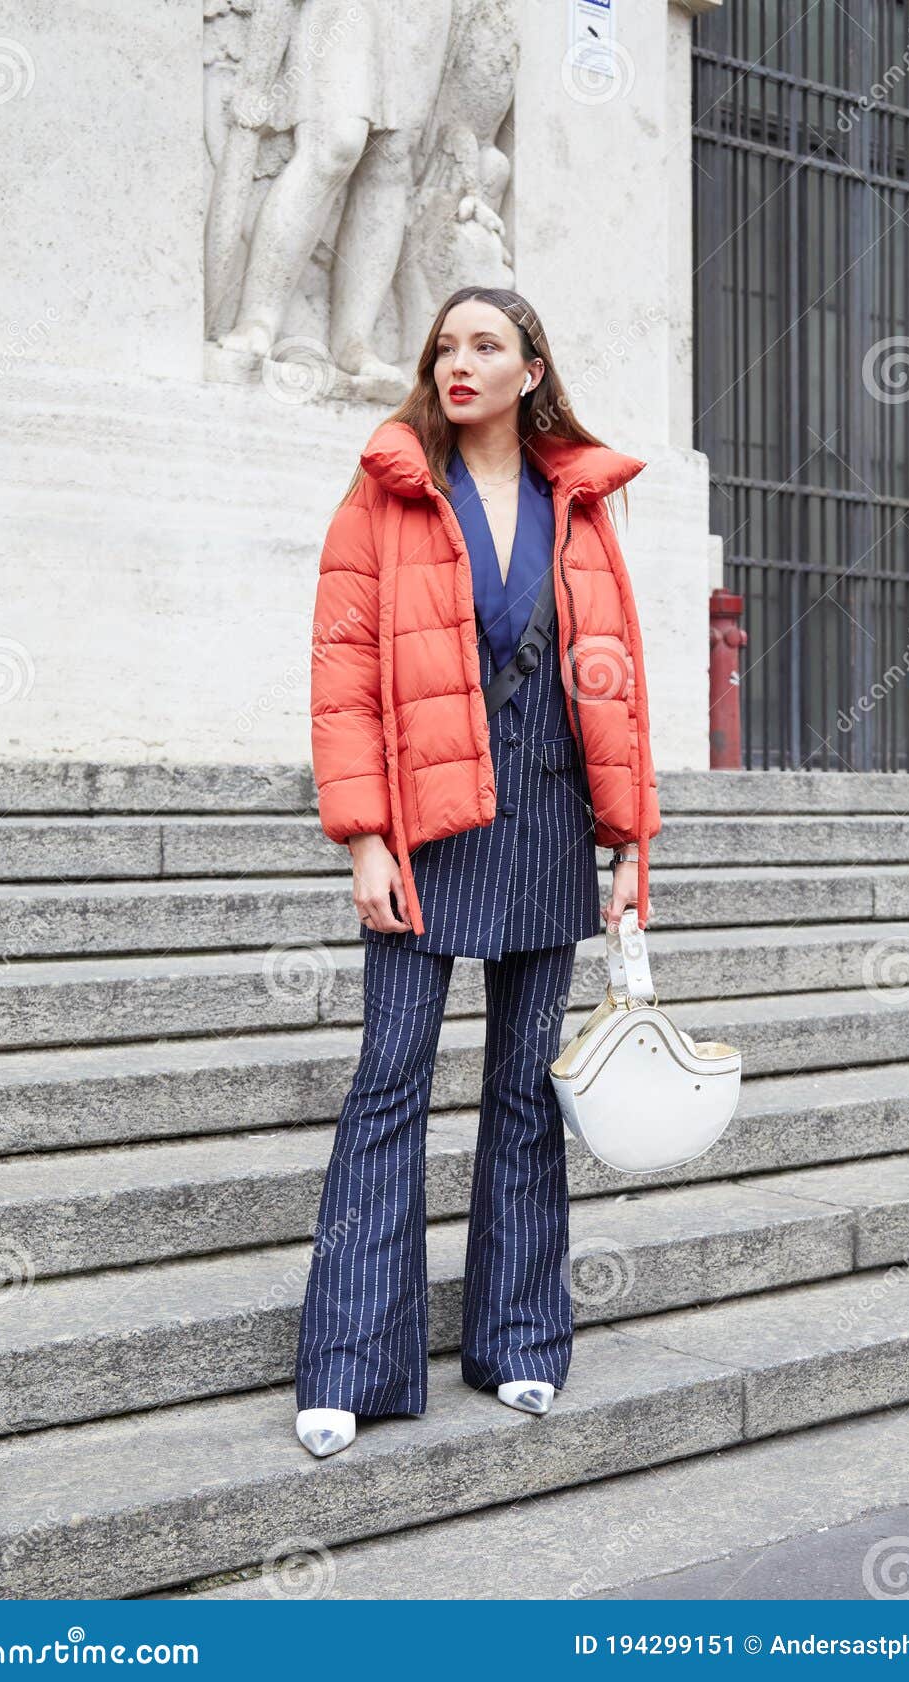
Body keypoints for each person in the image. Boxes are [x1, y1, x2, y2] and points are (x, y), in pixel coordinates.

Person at [295, 286, 661, 1456]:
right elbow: (342, 673)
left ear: (529, 367)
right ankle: (349, 1363)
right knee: (389, 1080)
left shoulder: (579, 501)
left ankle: (519, 1341)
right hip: (422, 823)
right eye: (444, 347)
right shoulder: (386, 488)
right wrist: (362, 837)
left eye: (484, 346)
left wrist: (628, 850)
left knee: (518, 1093)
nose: (458, 364)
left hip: (546, 818)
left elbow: (613, 681)